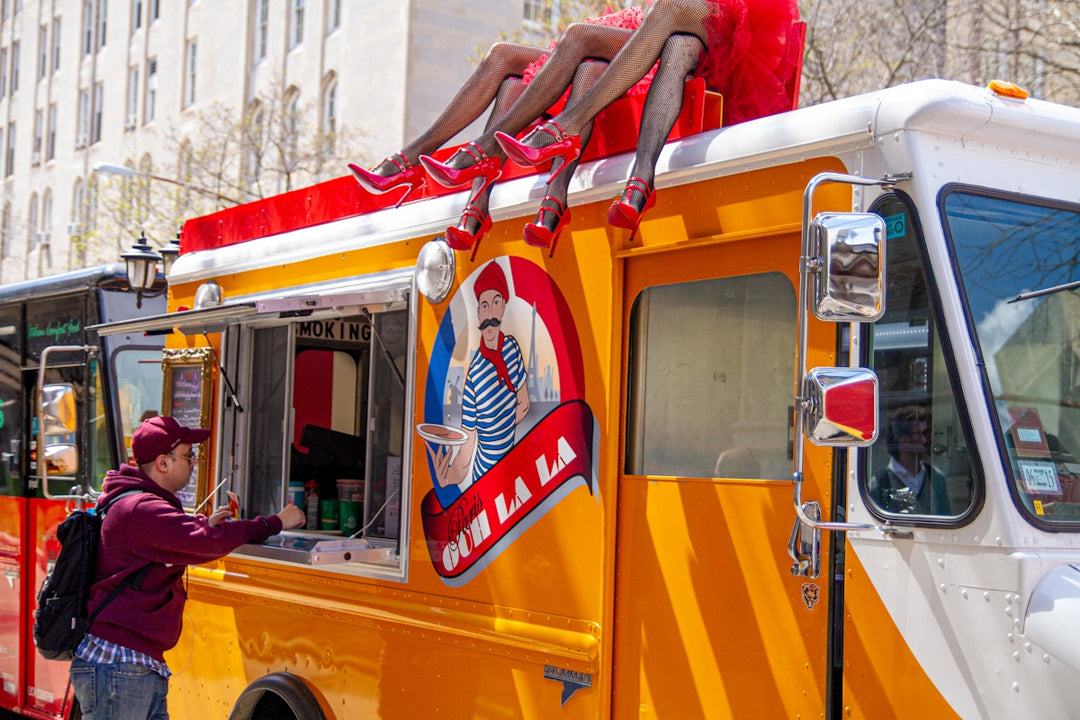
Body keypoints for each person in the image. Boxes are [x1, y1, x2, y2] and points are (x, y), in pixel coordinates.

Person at [351, 0, 800, 254]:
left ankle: (523, 141)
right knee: (507, 55)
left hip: (724, 22)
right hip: (650, 35)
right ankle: (411, 160)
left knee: (643, 27)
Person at [350, 7, 648, 256]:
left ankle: (487, 159)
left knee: (580, 43)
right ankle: (414, 159)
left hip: (658, 40)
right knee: (502, 57)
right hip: (630, 37)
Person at [69, 415, 305, 720]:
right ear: (163, 463)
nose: (193, 463)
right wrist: (275, 522)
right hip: (120, 665)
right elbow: (204, 543)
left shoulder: (139, 504)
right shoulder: (141, 508)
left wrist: (201, 525)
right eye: (188, 456)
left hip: (133, 665)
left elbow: (172, 537)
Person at [430, 261, 529, 489]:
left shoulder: (512, 349)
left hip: (508, 476)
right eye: (484, 306)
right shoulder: (474, 375)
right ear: (478, 313)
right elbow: (468, 445)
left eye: (496, 303)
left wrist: (499, 433)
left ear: (504, 307)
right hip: (484, 483)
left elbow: (523, 404)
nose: (490, 313)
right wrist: (449, 478)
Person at [868, 406, 952, 515]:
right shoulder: (880, 483)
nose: (927, 439)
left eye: (928, 432)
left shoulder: (936, 477)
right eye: (921, 433)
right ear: (904, 440)